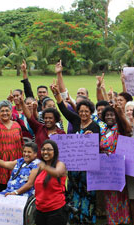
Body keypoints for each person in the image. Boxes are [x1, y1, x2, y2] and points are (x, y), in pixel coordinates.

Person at [50, 82, 100, 224]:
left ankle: (87, 219)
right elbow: (63, 109)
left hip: (87, 171)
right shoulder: (76, 121)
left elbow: (96, 150)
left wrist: (91, 139)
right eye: (81, 111)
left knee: (87, 195)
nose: (83, 113)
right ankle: (73, 218)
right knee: (73, 193)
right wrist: (56, 94)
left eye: (86, 111)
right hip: (73, 168)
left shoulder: (95, 127)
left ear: (91, 112)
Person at [100, 106, 132, 225]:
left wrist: (119, 112)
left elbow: (127, 126)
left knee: (121, 194)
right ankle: (112, 221)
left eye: (112, 115)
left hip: (119, 168)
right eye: (107, 115)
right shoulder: (103, 130)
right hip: (106, 169)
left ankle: (124, 219)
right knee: (109, 195)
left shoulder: (119, 129)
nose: (109, 117)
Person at [0, 100, 24, 193]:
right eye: (2, 111)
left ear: (11, 111)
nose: (5, 113)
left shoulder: (17, 125)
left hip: (14, 164)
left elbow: (21, 144)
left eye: (7, 110)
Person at [34, 140, 67, 225]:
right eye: (43, 149)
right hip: (40, 211)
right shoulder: (40, 167)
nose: (45, 152)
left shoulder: (60, 164)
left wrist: (44, 166)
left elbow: (57, 173)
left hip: (55, 212)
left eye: (49, 149)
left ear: (55, 152)